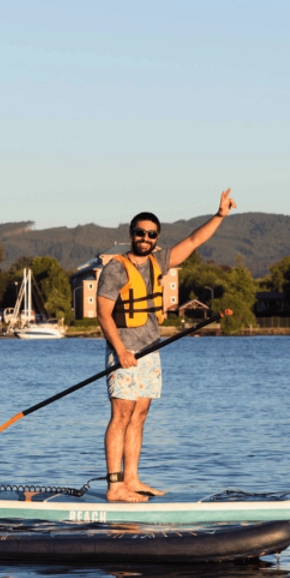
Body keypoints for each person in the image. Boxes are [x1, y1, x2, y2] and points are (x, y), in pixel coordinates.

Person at [96, 191, 236, 503]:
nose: (145, 238)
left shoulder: (158, 261)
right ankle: (115, 486)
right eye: (140, 233)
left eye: (151, 234)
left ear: (156, 238)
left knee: (140, 414)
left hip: (150, 350)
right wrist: (120, 351)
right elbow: (102, 314)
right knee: (121, 414)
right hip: (124, 352)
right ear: (131, 234)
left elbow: (194, 241)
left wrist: (219, 215)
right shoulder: (115, 269)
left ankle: (132, 479)